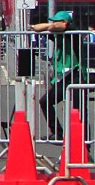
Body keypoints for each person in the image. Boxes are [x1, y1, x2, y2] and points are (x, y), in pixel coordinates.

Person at [33, 10, 78, 140]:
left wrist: (51, 26)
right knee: (45, 101)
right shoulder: (56, 33)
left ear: (64, 22)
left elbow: (55, 27)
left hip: (75, 74)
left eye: (56, 21)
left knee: (78, 110)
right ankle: (58, 133)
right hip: (62, 76)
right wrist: (48, 26)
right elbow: (36, 28)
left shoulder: (72, 31)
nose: (52, 24)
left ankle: (83, 143)